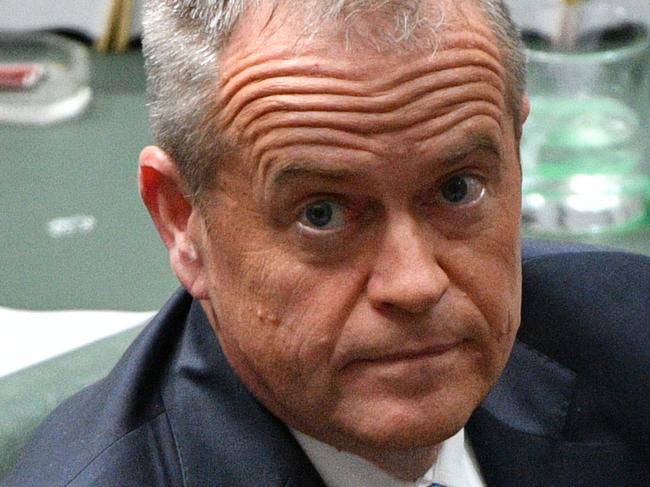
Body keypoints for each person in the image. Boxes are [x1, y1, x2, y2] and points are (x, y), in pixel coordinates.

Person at [4, 0, 650, 485]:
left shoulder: (628, 336)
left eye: (457, 190)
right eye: (322, 213)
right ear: (182, 221)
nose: (414, 282)